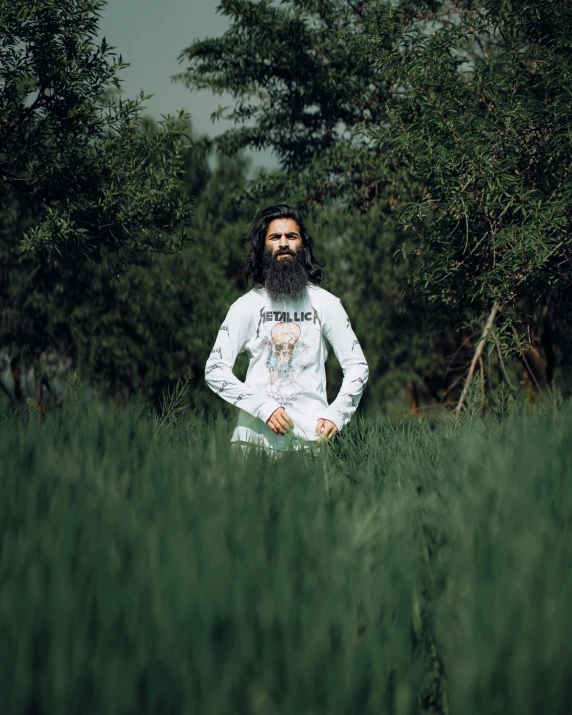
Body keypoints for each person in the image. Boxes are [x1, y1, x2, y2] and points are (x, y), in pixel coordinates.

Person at [205, 204, 368, 452]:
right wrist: (262, 407)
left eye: (291, 236)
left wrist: (337, 414)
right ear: (263, 246)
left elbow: (357, 365)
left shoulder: (326, 304)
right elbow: (215, 369)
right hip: (253, 445)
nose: (283, 243)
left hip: (310, 445)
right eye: (275, 237)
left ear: (302, 245)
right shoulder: (245, 306)